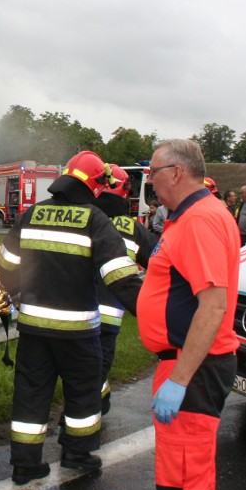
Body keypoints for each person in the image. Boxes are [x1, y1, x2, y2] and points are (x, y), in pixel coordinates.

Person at [0, 151, 143, 485]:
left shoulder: (31, 214)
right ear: (94, 185)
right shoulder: (94, 219)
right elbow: (119, 276)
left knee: (31, 393)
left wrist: (19, 292)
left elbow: (6, 265)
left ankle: (24, 465)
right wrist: (149, 312)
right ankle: (76, 455)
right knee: (83, 391)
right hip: (78, 332)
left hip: (33, 329)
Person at [137, 139, 240, 490]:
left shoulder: (199, 220)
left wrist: (180, 380)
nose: (150, 183)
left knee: (186, 481)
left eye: (152, 174)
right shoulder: (189, 216)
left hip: (192, 367)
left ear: (176, 173)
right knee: (175, 478)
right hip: (184, 363)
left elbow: (213, 305)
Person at [93, 164, 158, 416]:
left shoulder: (79, 217)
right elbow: (159, 263)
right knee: (95, 372)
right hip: (107, 319)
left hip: (72, 316)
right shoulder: (132, 228)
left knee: (79, 372)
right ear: (124, 191)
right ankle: (85, 430)